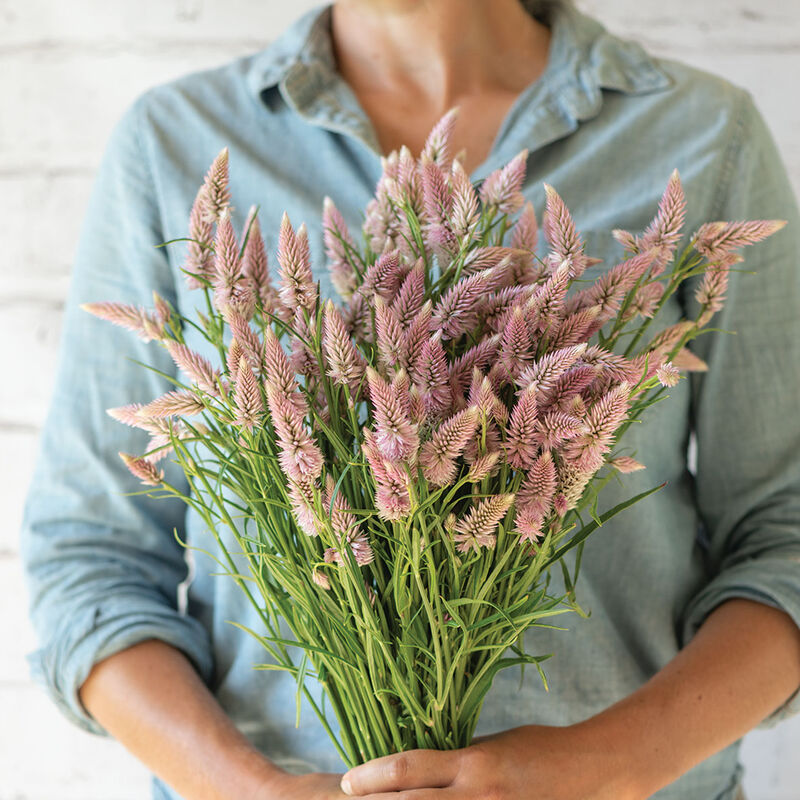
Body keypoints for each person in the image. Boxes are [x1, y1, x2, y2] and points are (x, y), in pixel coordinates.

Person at [19, 0, 800, 798]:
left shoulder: (703, 134)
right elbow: (92, 558)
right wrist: (247, 789)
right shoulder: (175, 139)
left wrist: (609, 767)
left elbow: (787, 537)